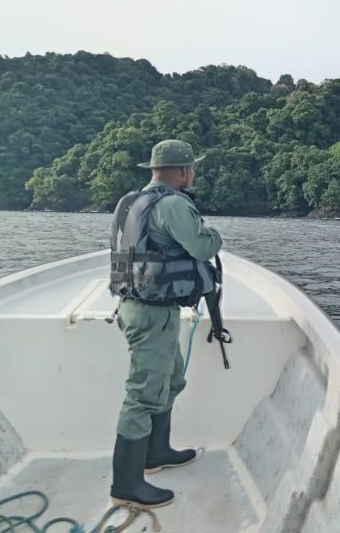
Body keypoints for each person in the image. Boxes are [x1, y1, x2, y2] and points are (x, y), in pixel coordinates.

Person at [108, 140, 223, 508]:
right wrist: (216, 235)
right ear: (182, 171)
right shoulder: (172, 204)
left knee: (171, 378)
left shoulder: (131, 202)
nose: (194, 174)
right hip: (153, 314)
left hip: (136, 307)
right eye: (192, 168)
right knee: (143, 395)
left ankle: (156, 453)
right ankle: (127, 484)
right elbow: (203, 247)